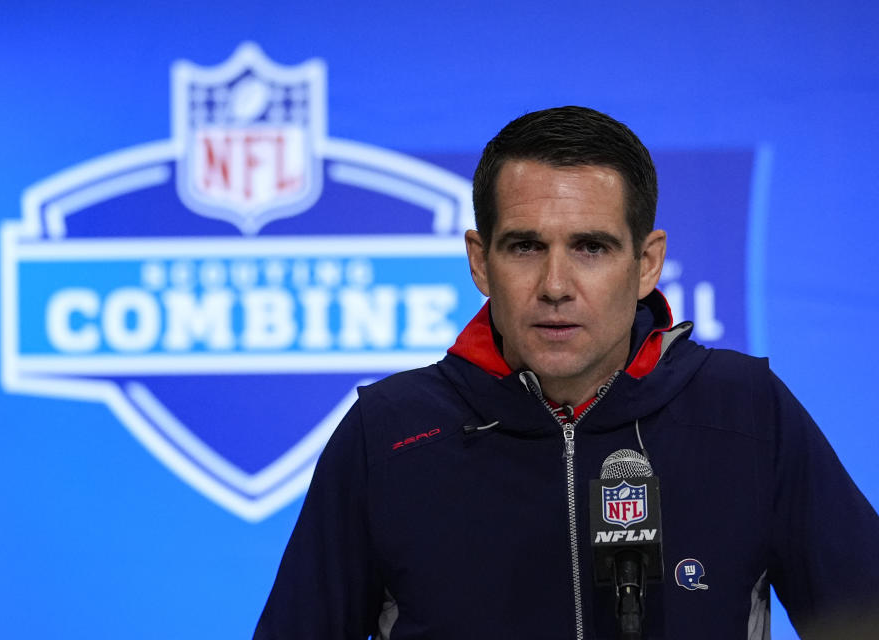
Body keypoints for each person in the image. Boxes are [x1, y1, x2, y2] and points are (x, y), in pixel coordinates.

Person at [254, 106, 879, 639]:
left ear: (646, 263)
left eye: (591, 247)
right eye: (526, 246)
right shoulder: (389, 433)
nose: (556, 286)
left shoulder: (745, 412)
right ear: (480, 261)